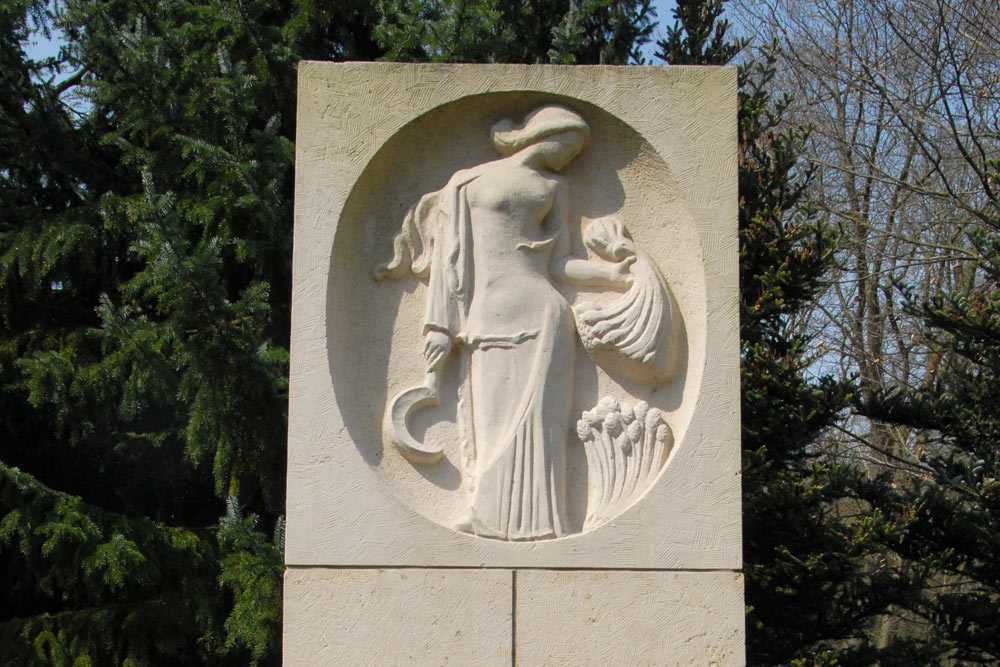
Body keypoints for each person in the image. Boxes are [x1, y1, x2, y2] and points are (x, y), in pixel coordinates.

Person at [379, 105, 632, 540]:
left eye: (576, 152)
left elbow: (561, 263)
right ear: (541, 134)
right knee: (490, 423)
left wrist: (610, 276)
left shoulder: (556, 187)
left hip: (544, 315)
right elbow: (447, 260)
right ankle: (486, 516)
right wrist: (438, 326)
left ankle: (544, 526)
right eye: (567, 144)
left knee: (542, 427)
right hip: (487, 318)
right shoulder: (467, 183)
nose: (569, 156)